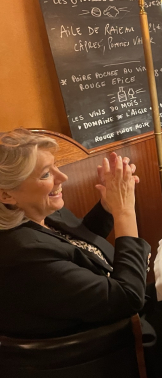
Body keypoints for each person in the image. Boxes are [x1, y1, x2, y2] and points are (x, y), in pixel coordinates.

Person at [0, 130, 150, 338]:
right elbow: (128, 299)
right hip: (109, 350)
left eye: (56, 166)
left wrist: (107, 206)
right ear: (6, 194)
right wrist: (124, 211)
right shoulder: (24, 255)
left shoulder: (37, 212)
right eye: (46, 174)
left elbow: (74, 245)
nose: (62, 177)